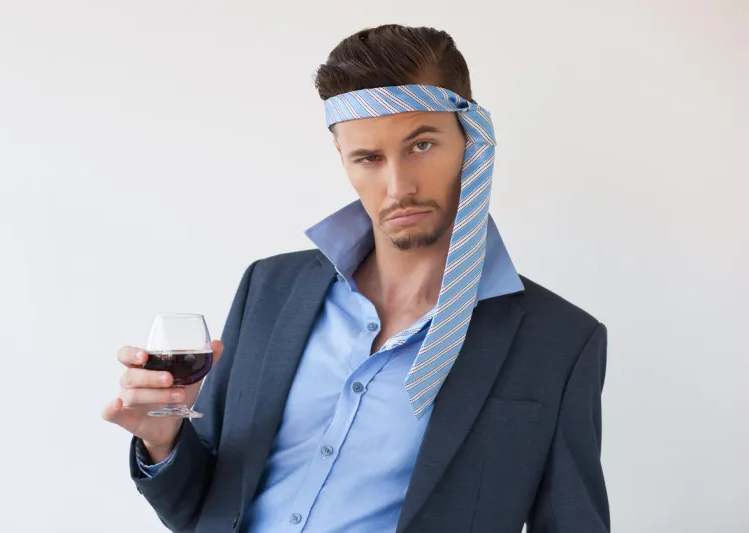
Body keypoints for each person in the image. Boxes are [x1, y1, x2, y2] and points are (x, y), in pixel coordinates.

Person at [102, 24, 610, 533]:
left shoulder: (559, 342)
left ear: (472, 140)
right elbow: (202, 510)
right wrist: (162, 440)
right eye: (369, 158)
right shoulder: (270, 289)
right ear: (343, 160)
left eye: (422, 145)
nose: (399, 187)